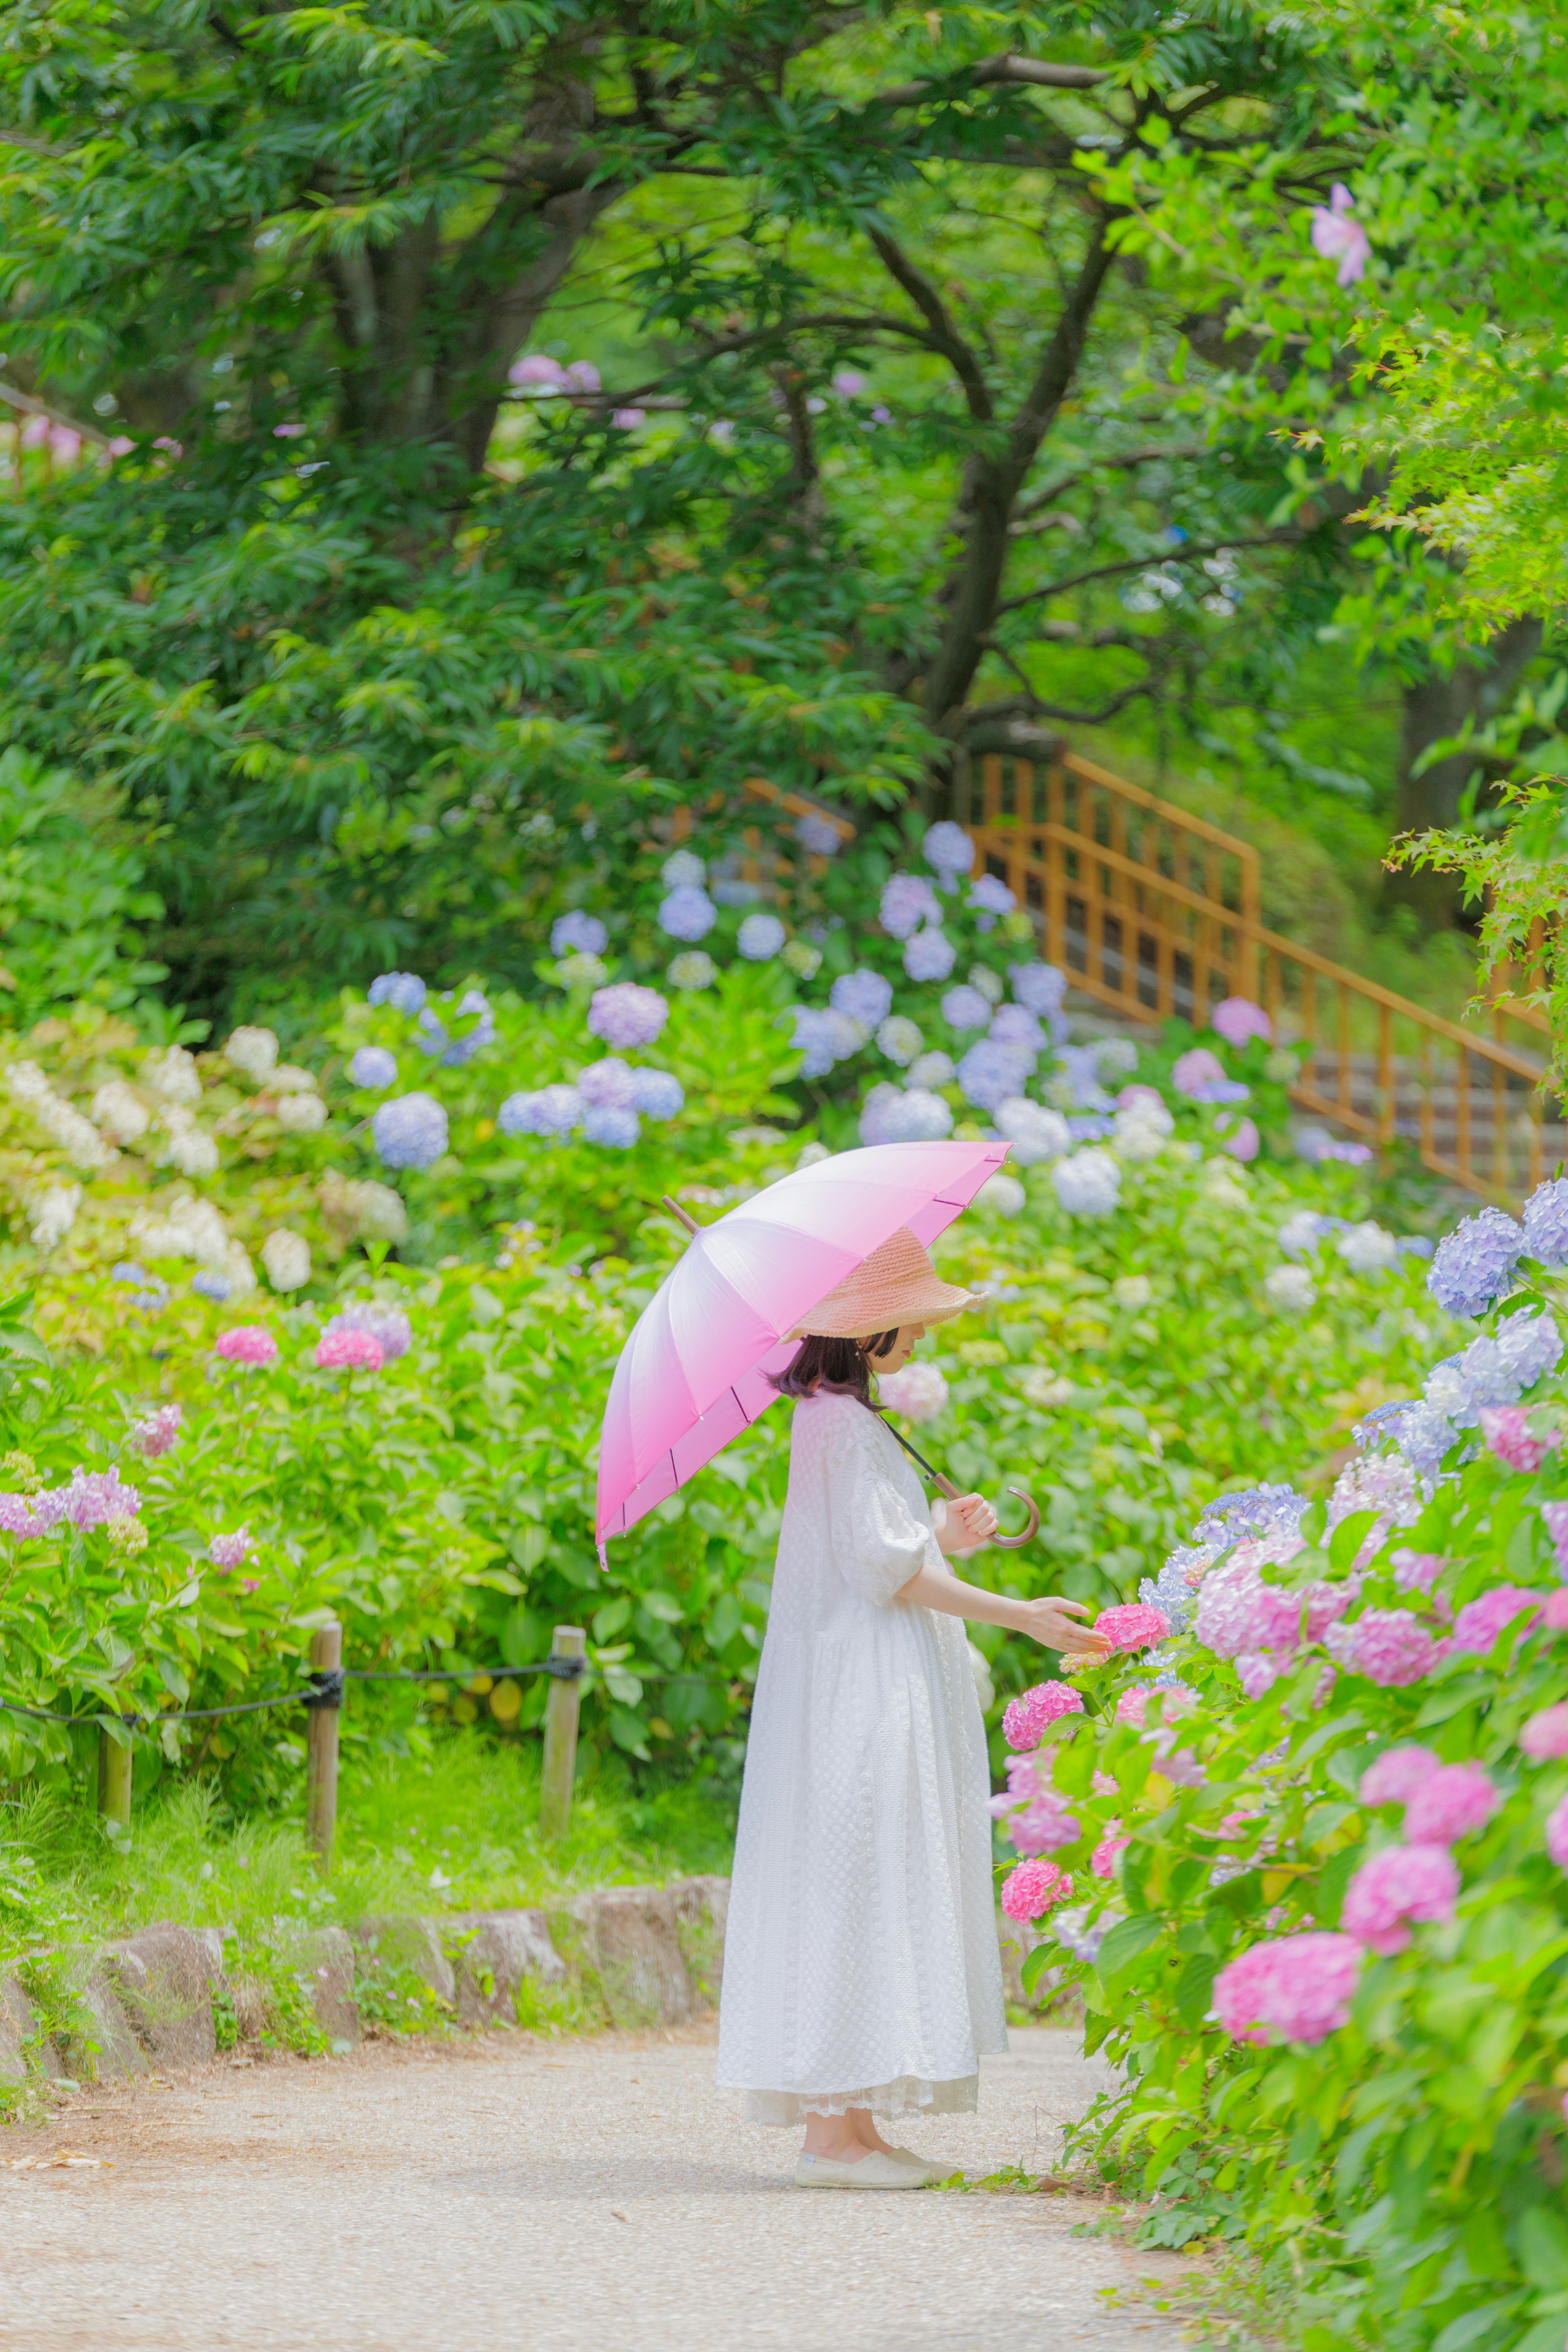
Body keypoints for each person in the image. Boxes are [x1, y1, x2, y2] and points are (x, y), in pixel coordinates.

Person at [715, 1223, 1110, 2188]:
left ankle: (854, 2126)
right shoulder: (842, 1423)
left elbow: (881, 1550)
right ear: (873, 1329)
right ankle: (833, 2139)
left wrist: (940, 1531)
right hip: (865, 1680)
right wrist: (1019, 1614)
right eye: (913, 1323)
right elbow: (885, 1573)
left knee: (869, 1868)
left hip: (867, 1669)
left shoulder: (843, 1415)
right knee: (861, 1870)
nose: (923, 1337)